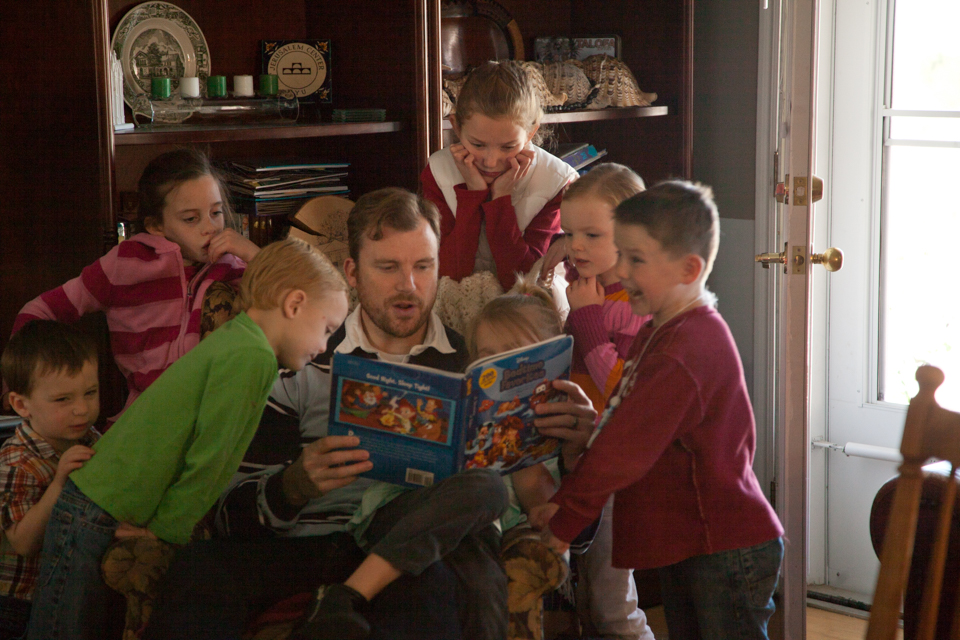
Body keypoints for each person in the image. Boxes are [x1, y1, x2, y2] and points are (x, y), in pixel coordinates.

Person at [25, 237, 350, 640]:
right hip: (99, 502)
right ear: (295, 304)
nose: (323, 347)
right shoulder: (252, 356)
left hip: (100, 498)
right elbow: (211, 457)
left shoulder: (239, 340)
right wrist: (168, 531)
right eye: (327, 329)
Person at [532, 181, 785, 640]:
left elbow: (627, 446)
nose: (622, 271)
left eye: (636, 260)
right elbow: (621, 422)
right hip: (688, 539)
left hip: (723, 544)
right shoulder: (660, 332)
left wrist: (567, 518)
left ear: (688, 268)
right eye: (622, 255)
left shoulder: (684, 348)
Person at [8, 148, 260, 418]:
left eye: (216, 213)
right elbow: (39, 310)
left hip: (215, 413)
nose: (210, 228)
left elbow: (297, 302)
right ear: (155, 226)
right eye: (191, 219)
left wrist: (254, 255)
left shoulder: (231, 265)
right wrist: (17, 383)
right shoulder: (125, 266)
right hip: (146, 418)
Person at [469, 280, 654, 640]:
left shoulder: (566, 412)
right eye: (487, 356)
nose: (500, 367)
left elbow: (552, 487)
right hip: (499, 526)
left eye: (513, 355)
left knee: (614, 614)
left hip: (566, 518)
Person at [542, 163, 654, 639]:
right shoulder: (587, 285)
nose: (577, 245)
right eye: (570, 233)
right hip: (580, 453)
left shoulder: (634, 302)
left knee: (612, 606)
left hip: (615, 463)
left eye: (592, 233)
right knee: (582, 597)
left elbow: (621, 390)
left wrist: (585, 321)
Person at [421, 60, 578, 292]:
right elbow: (447, 275)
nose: (491, 161)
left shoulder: (556, 183)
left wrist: (500, 202)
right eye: (477, 144)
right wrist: (472, 196)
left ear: (530, 133)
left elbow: (525, 283)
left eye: (508, 147)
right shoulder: (437, 171)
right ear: (456, 127)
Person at [0, 321, 100, 639]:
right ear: (20, 404)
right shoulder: (16, 462)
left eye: (91, 392)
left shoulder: (89, 438)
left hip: (66, 587)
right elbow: (23, 542)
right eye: (62, 400)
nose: (82, 409)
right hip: (15, 604)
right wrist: (59, 483)